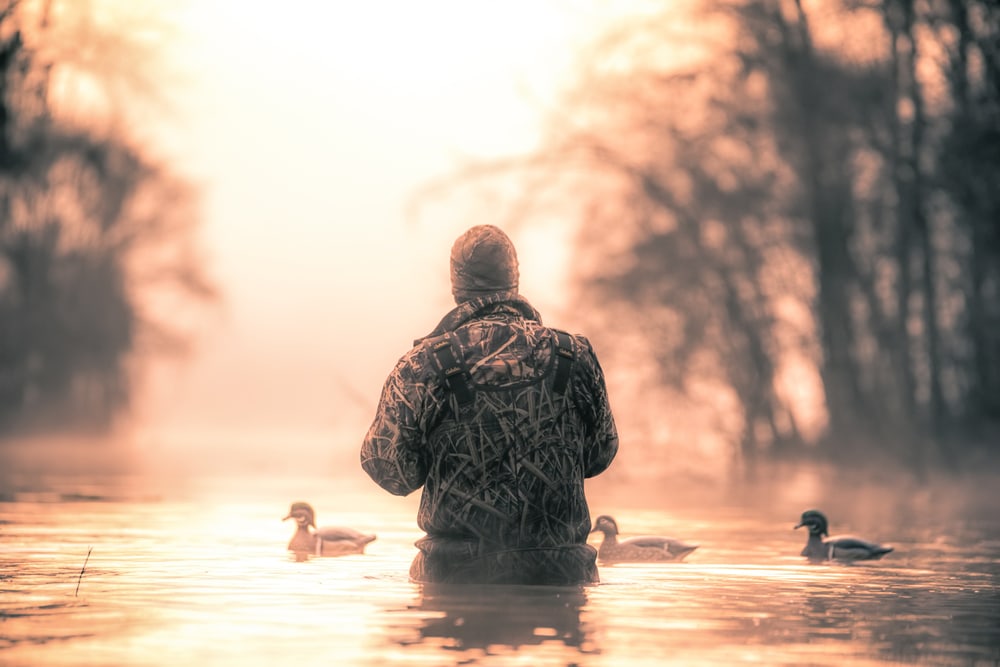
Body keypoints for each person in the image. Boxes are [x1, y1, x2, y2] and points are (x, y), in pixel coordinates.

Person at [360, 224, 618, 585]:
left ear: (456, 285)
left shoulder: (423, 364)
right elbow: (599, 456)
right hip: (565, 573)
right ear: (515, 280)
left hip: (456, 574)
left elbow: (391, 473)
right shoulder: (573, 356)